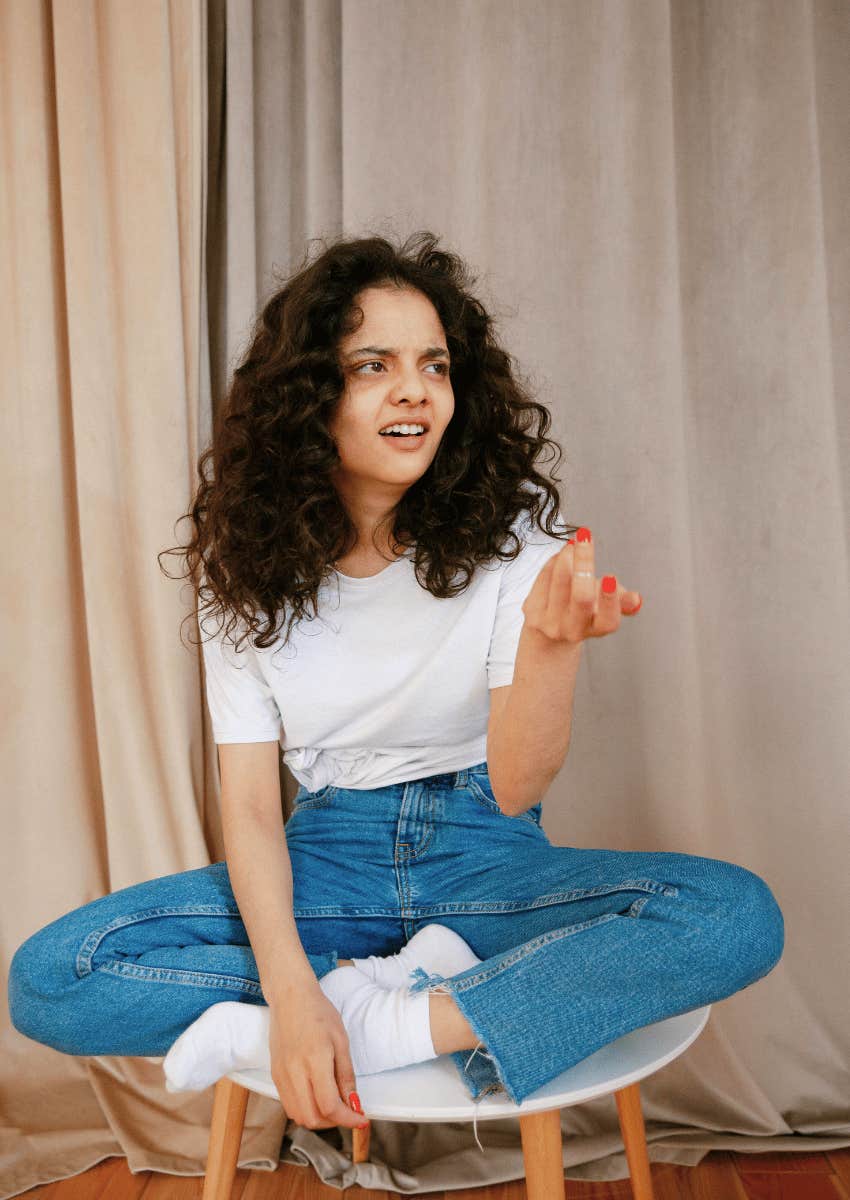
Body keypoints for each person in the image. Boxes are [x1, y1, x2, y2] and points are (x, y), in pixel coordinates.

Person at [8, 231, 784, 1147]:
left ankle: (394, 1026)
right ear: (311, 399)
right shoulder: (246, 569)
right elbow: (252, 808)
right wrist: (294, 994)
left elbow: (516, 788)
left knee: (736, 916)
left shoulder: (517, 548)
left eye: (434, 366)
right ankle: (350, 993)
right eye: (372, 365)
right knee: (52, 977)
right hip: (323, 860)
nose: (414, 389)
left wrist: (551, 647)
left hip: (486, 855)